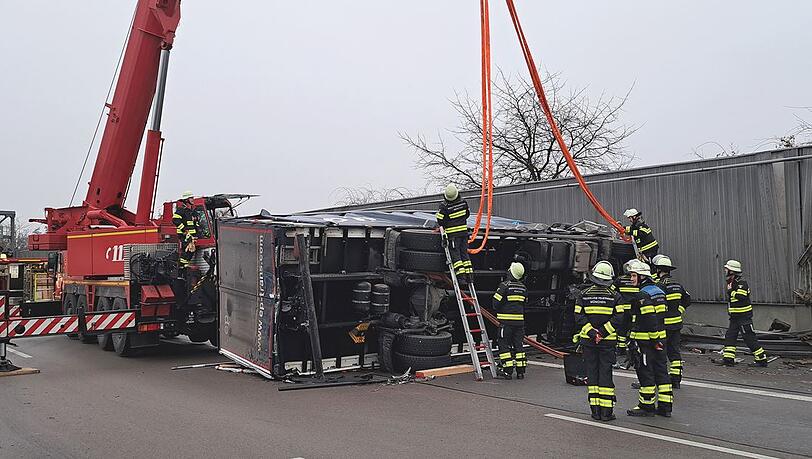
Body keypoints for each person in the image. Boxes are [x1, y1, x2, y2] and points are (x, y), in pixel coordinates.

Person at [574, 261, 624, 421]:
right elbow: (619, 318)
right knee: (605, 374)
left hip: (589, 342)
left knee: (592, 374)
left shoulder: (583, 294)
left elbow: (578, 316)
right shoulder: (615, 296)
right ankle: (607, 412)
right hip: (607, 342)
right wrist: (602, 333)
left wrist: (591, 332)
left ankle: (595, 411)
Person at [625, 262, 673, 417]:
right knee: (662, 372)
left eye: (633, 276)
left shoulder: (642, 295)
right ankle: (665, 406)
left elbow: (649, 319)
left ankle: (647, 406)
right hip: (661, 339)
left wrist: (653, 340)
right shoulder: (659, 291)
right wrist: (659, 339)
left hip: (647, 342)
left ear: (642, 277)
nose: (631, 279)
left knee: (646, 373)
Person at [653, 255, 691, 388]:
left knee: (660, 352)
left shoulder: (659, 286)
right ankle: (676, 379)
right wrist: (678, 311)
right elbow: (687, 299)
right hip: (676, 324)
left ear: (658, 270)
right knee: (674, 352)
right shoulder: (677, 284)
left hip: (664, 325)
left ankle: (660, 379)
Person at [722, 260, 768, 367]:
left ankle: (761, 360)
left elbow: (741, 296)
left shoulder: (741, 282)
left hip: (743, 317)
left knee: (749, 338)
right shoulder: (731, 282)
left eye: (727, 269)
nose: (725, 270)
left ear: (732, 271)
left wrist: (731, 292)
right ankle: (728, 360)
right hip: (734, 318)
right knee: (730, 337)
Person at [493, 262, 527, 380]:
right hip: (520, 323)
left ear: (511, 273)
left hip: (506, 323)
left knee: (503, 345)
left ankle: (507, 371)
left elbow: (495, 303)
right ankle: (520, 372)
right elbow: (524, 304)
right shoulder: (523, 287)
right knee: (519, 346)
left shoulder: (504, 286)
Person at [436, 184, 472, 281]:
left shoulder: (444, 206)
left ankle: (461, 275)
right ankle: (469, 275)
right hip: (464, 234)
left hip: (453, 236)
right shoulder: (464, 203)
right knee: (464, 253)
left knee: (455, 254)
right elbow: (467, 214)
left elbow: (440, 221)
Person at [613, 260, 639, 369]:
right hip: (635, 311)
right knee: (634, 329)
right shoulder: (637, 280)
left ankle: (621, 350)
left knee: (622, 331)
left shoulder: (620, 280)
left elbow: (612, 290)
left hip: (623, 310)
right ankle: (633, 349)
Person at [172, 191, 199, 269]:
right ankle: (182, 266)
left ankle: (183, 265)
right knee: (188, 250)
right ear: (186, 200)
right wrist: (184, 230)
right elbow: (175, 220)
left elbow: (195, 224)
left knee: (191, 250)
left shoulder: (191, 212)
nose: (193, 199)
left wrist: (196, 234)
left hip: (192, 236)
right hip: (184, 235)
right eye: (191, 198)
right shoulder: (181, 210)